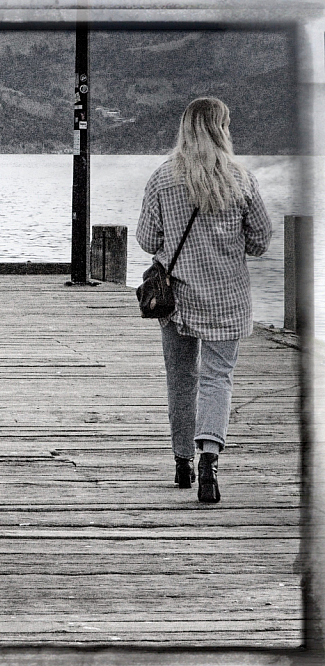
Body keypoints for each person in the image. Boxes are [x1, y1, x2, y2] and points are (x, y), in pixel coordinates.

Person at [136, 97, 272, 504]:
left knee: (181, 379)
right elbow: (261, 240)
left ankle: (182, 464)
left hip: (176, 299)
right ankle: (209, 458)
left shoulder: (162, 179)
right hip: (226, 297)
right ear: (222, 129)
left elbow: (147, 240)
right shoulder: (240, 179)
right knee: (217, 378)